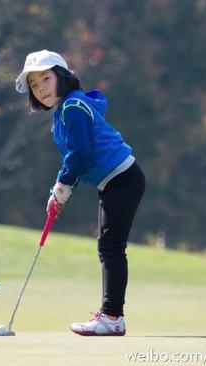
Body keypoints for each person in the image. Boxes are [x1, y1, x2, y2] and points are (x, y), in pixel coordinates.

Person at [15, 50, 146, 336]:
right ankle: (112, 315)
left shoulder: (73, 107)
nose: (41, 89)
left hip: (121, 179)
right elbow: (76, 159)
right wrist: (60, 190)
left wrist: (61, 189)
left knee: (110, 247)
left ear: (63, 76)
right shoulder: (66, 111)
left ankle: (112, 317)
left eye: (46, 79)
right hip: (116, 181)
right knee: (109, 246)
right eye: (35, 86)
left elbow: (80, 154)